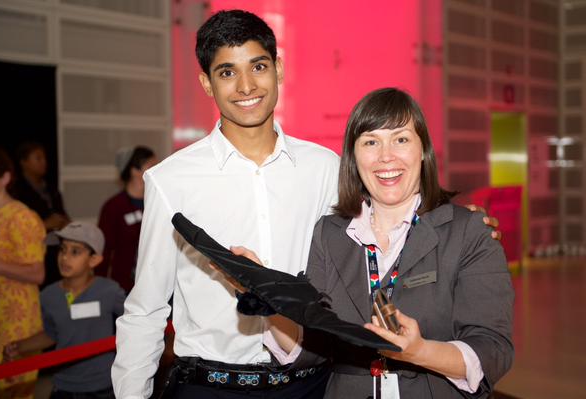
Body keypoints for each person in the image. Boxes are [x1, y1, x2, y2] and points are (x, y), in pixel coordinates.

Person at [112, 10, 340, 399]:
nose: (246, 85)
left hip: (310, 385)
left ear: (278, 69)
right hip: (211, 387)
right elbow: (147, 308)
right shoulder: (171, 179)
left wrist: (460, 223)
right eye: (227, 72)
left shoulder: (324, 168)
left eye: (258, 66)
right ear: (206, 82)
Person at [297, 88, 514, 398]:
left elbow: (493, 349)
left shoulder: (468, 233)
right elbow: (314, 343)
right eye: (371, 142)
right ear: (353, 156)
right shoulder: (329, 234)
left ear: (422, 150)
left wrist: (420, 351)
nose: (386, 156)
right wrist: (267, 297)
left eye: (401, 139)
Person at [4, 221, 126, 399]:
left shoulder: (109, 291)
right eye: (62, 249)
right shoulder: (48, 295)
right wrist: (19, 347)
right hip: (63, 386)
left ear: (94, 259)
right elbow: (52, 334)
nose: (65, 257)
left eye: (75, 251)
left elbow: (134, 322)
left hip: (103, 387)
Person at [0, 146, 46, 398]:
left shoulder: (22, 217)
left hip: (17, 319)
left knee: (15, 391)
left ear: (6, 179)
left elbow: (37, 274)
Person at [97, 146, 157, 292]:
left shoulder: (157, 203)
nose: (158, 170)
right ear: (134, 170)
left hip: (154, 285)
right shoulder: (114, 207)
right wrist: (100, 288)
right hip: (123, 287)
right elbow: (103, 251)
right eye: (152, 165)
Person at [12, 141, 71, 288]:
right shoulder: (16, 191)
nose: (43, 163)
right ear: (24, 162)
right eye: (38, 158)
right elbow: (15, 228)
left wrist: (65, 222)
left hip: (56, 251)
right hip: (33, 255)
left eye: (44, 158)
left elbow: (63, 214)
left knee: (61, 292)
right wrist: (45, 224)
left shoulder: (51, 188)